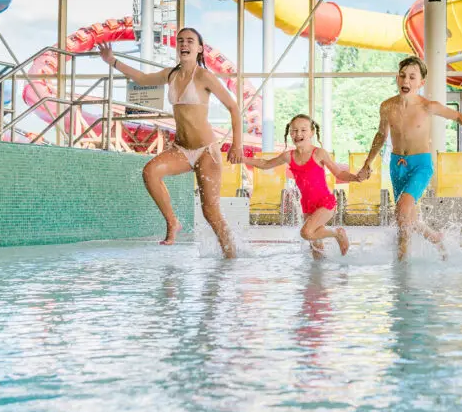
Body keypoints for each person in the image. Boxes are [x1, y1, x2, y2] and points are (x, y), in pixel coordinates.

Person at [97, 28, 243, 258]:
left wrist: (237, 144)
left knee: (210, 211)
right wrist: (112, 60)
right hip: (182, 149)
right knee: (150, 172)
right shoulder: (171, 74)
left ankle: (231, 254)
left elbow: (234, 108)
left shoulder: (204, 76)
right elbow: (142, 79)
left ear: (199, 48)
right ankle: (173, 222)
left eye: (190, 41)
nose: (184, 44)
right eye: (181, 41)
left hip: (206, 152)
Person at [357, 55, 462, 260]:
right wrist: (368, 162)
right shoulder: (386, 106)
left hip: (420, 164)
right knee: (406, 219)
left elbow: (459, 116)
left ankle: (410, 257)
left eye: (412, 77)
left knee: (402, 210)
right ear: (397, 78)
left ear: (421, 82)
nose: (406, 81)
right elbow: (381, 135)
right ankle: (424, 246)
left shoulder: (427, 106)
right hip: (397, 165)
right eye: (402, 76)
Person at [244, 114, 359, 258]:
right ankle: (317, 276)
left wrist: (355, 178)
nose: (298, 134)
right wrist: (243, 159)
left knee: (306, 233)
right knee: (316, 249)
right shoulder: (288, 156)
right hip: (307, 205)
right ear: (290, 133)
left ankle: (337, 233)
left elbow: (339, 173)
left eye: (303, 130)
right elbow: (266, 164)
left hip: (325, 203)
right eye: (294, 130)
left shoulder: (319, 153)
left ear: (312, 132)